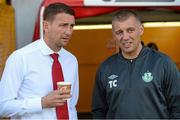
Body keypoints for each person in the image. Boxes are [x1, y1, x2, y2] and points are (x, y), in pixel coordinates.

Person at [92, 9, 180, 119]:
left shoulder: (163, 63)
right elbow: (98, 111)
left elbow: (177, 107)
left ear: (141, 29)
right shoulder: (105, 68)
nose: (125, 37)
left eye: (130, 30)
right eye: (119, 32)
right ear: (114, 35)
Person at [0, 3, 79, 119]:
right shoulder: (20, 58)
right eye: (63, 25)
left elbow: (71, 105)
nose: (69, 31)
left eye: (72, 26)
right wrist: (41, 103)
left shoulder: (71, 60)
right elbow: (3, 107)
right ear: (46, 26)